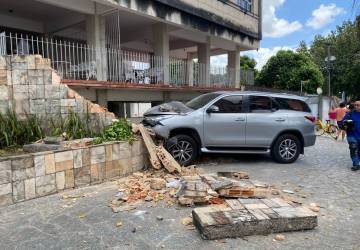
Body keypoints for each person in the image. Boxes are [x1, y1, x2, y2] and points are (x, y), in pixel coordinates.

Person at [341, 100, 360, 171]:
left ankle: (357, 161)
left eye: (358, 105)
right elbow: (343, 122)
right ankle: (356, 164)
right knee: (353, 149)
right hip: (351, 135)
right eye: (355, 105)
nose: (356, 106)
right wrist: (345, 125)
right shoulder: (350, 114)